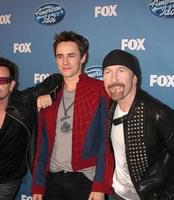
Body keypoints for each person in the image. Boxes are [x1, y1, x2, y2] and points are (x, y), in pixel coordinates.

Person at [0, 57, 62, 200]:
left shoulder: (24, 102)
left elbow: (58, 79)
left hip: (6, 183)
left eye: (1, 80)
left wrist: (51, 95)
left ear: (12, 85)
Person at [102, 49, 174, 200]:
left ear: (134, 78)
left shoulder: (158, 114)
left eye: (121, 70)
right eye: (107, 72)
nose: (113, 78)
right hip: (118, 193)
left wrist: (169, 197)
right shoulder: (109, 108)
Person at [31, 31, 114, 200]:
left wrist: (100, 185)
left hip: (85, 179)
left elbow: (106, 142)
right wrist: (38, 185)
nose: (65, 62)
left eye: (71, 55)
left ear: (83, 57)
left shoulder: (100, 90)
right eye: (60, 56)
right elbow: (43, 145)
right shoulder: (49, 96)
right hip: (52, 179)